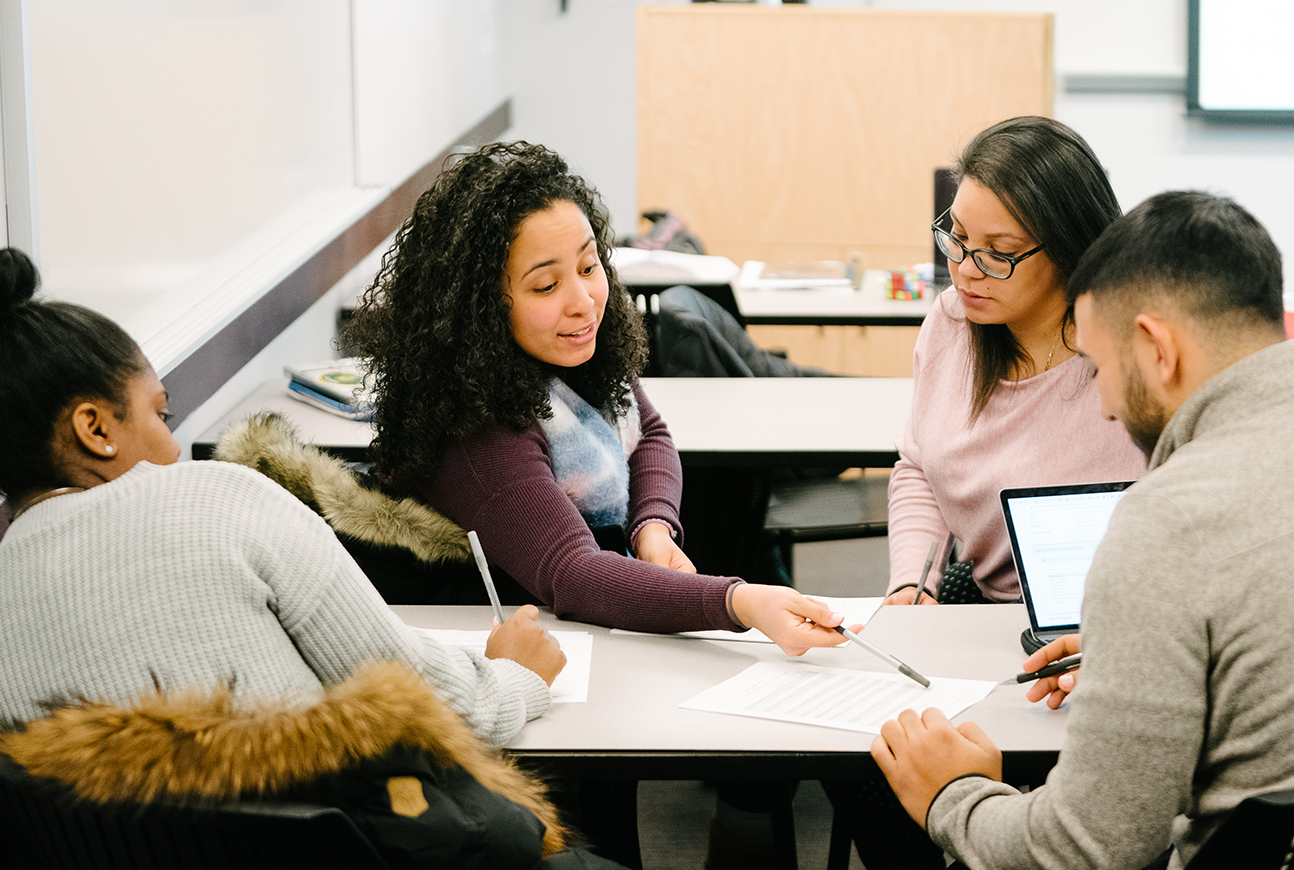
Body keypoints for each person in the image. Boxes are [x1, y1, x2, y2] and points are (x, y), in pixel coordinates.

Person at [873, 191, 1294, 870]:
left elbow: (1085, 849)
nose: (1100, 405)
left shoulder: (1166, 524)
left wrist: (954, 793)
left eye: (1100, 367)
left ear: (1157, 348)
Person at [0, 246, 563, 747]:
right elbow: (440, 705)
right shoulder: (220, 497)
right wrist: (516, 674)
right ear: (94, 429)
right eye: (159, 413)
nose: (173, 448)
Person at [343, 141, 851, 654]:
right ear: (479, 308)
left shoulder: (572, 353)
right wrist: (738, 603)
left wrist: (652, 526)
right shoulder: (476, 426)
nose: (584, 303)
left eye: (589, 268)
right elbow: (575, 574)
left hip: (573, 626)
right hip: (497, 645)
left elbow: (648, 432)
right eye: (546, 286)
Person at [885, 116, 1146, 606]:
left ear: (1069, 249)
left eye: (997, 253)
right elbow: (920, 467)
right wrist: (911, 584)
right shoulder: (952, 324)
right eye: (956, 237)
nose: (963, 270)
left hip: (1108, 616)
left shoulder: (1131, 358)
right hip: (985, 606)